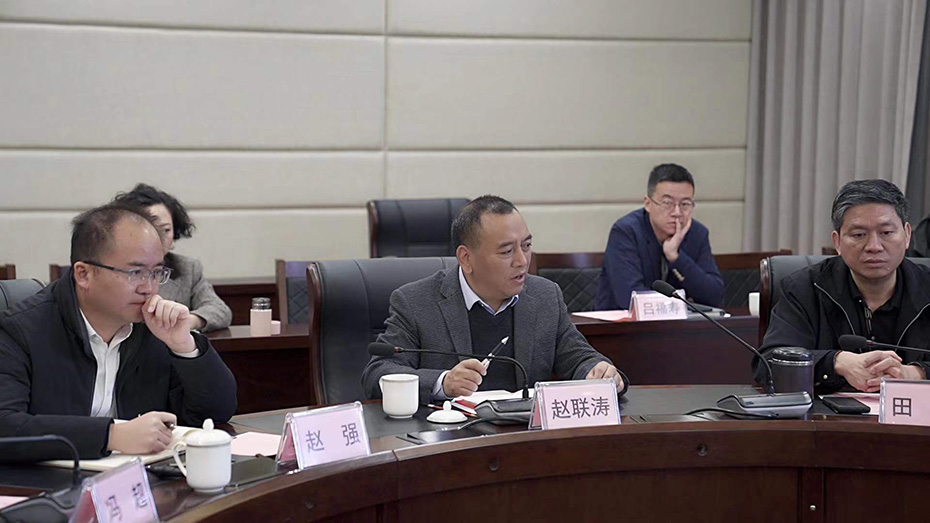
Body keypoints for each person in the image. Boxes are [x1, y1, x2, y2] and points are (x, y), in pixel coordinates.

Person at [0, 203, 237, 459]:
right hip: (46, 479)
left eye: (156, 273)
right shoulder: (20, 330)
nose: (148, 288)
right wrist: (111, 435)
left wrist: (184, 347)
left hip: (143, 476)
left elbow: (215, 414)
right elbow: (6, 426)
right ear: (83, 274)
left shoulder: (154, 329)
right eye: (135, 273)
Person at [361, 195, 628, 404]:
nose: (522, 261)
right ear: (466, 258)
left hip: (524, 439)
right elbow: (378, 373)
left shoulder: (545, 296)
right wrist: (443, 382)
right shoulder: (416, 302)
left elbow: (577, 357)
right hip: (453, 442)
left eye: (526, 246)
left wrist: (597, 370)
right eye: (507, 251)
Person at [758, 179, 930, 393]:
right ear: (837, 242)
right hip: (828, 413)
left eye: (886, 232)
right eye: (859, 235)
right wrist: (837, 362)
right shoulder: (804, 288)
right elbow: (767, 364)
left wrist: (916, 373)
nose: (874, 246)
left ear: (907, 235)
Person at [595, 163, 724, 310]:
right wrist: (681, 305)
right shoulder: (626, 232)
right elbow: (630, 297)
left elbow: (715, 296)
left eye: (685, 204)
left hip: (678, 324)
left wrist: (676, 258)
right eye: (667, 203)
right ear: (648, 203)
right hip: (621, 322)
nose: (677, 212)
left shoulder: (697, 234)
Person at [113, 183, 232, 332]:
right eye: (150, 229)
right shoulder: (112, 268)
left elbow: (219, 310)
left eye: (166, 230)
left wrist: (188, 321)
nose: (159, 238)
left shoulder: (187, 268)